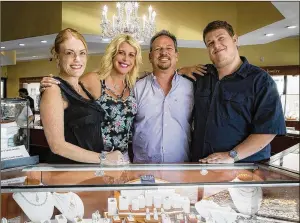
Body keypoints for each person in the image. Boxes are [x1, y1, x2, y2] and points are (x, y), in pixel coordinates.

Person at [191, 20, 286, 163]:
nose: (216, 45)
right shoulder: (201, 76)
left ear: (235, 40)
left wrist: (231, 155)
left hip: (244, 170)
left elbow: (268, 130)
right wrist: (179, 71)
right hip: (201, 166)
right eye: (210, 43)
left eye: (221, 38)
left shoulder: (261, 81)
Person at [41, 31, 143, 163]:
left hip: (117, 158)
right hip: (94, 158)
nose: (126, 59)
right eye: (69, 53)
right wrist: (49, 85)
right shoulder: (92, 80)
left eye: (82, 53)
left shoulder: (134, 86)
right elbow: (57, 145)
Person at [133, 30, 194, 163]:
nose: (164, 52)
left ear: (176, 55)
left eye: (169, 48)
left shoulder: (191, 88)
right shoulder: (136, 88)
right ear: (150, 56)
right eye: (158, 49)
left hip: (180, 168)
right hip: (143, 169)